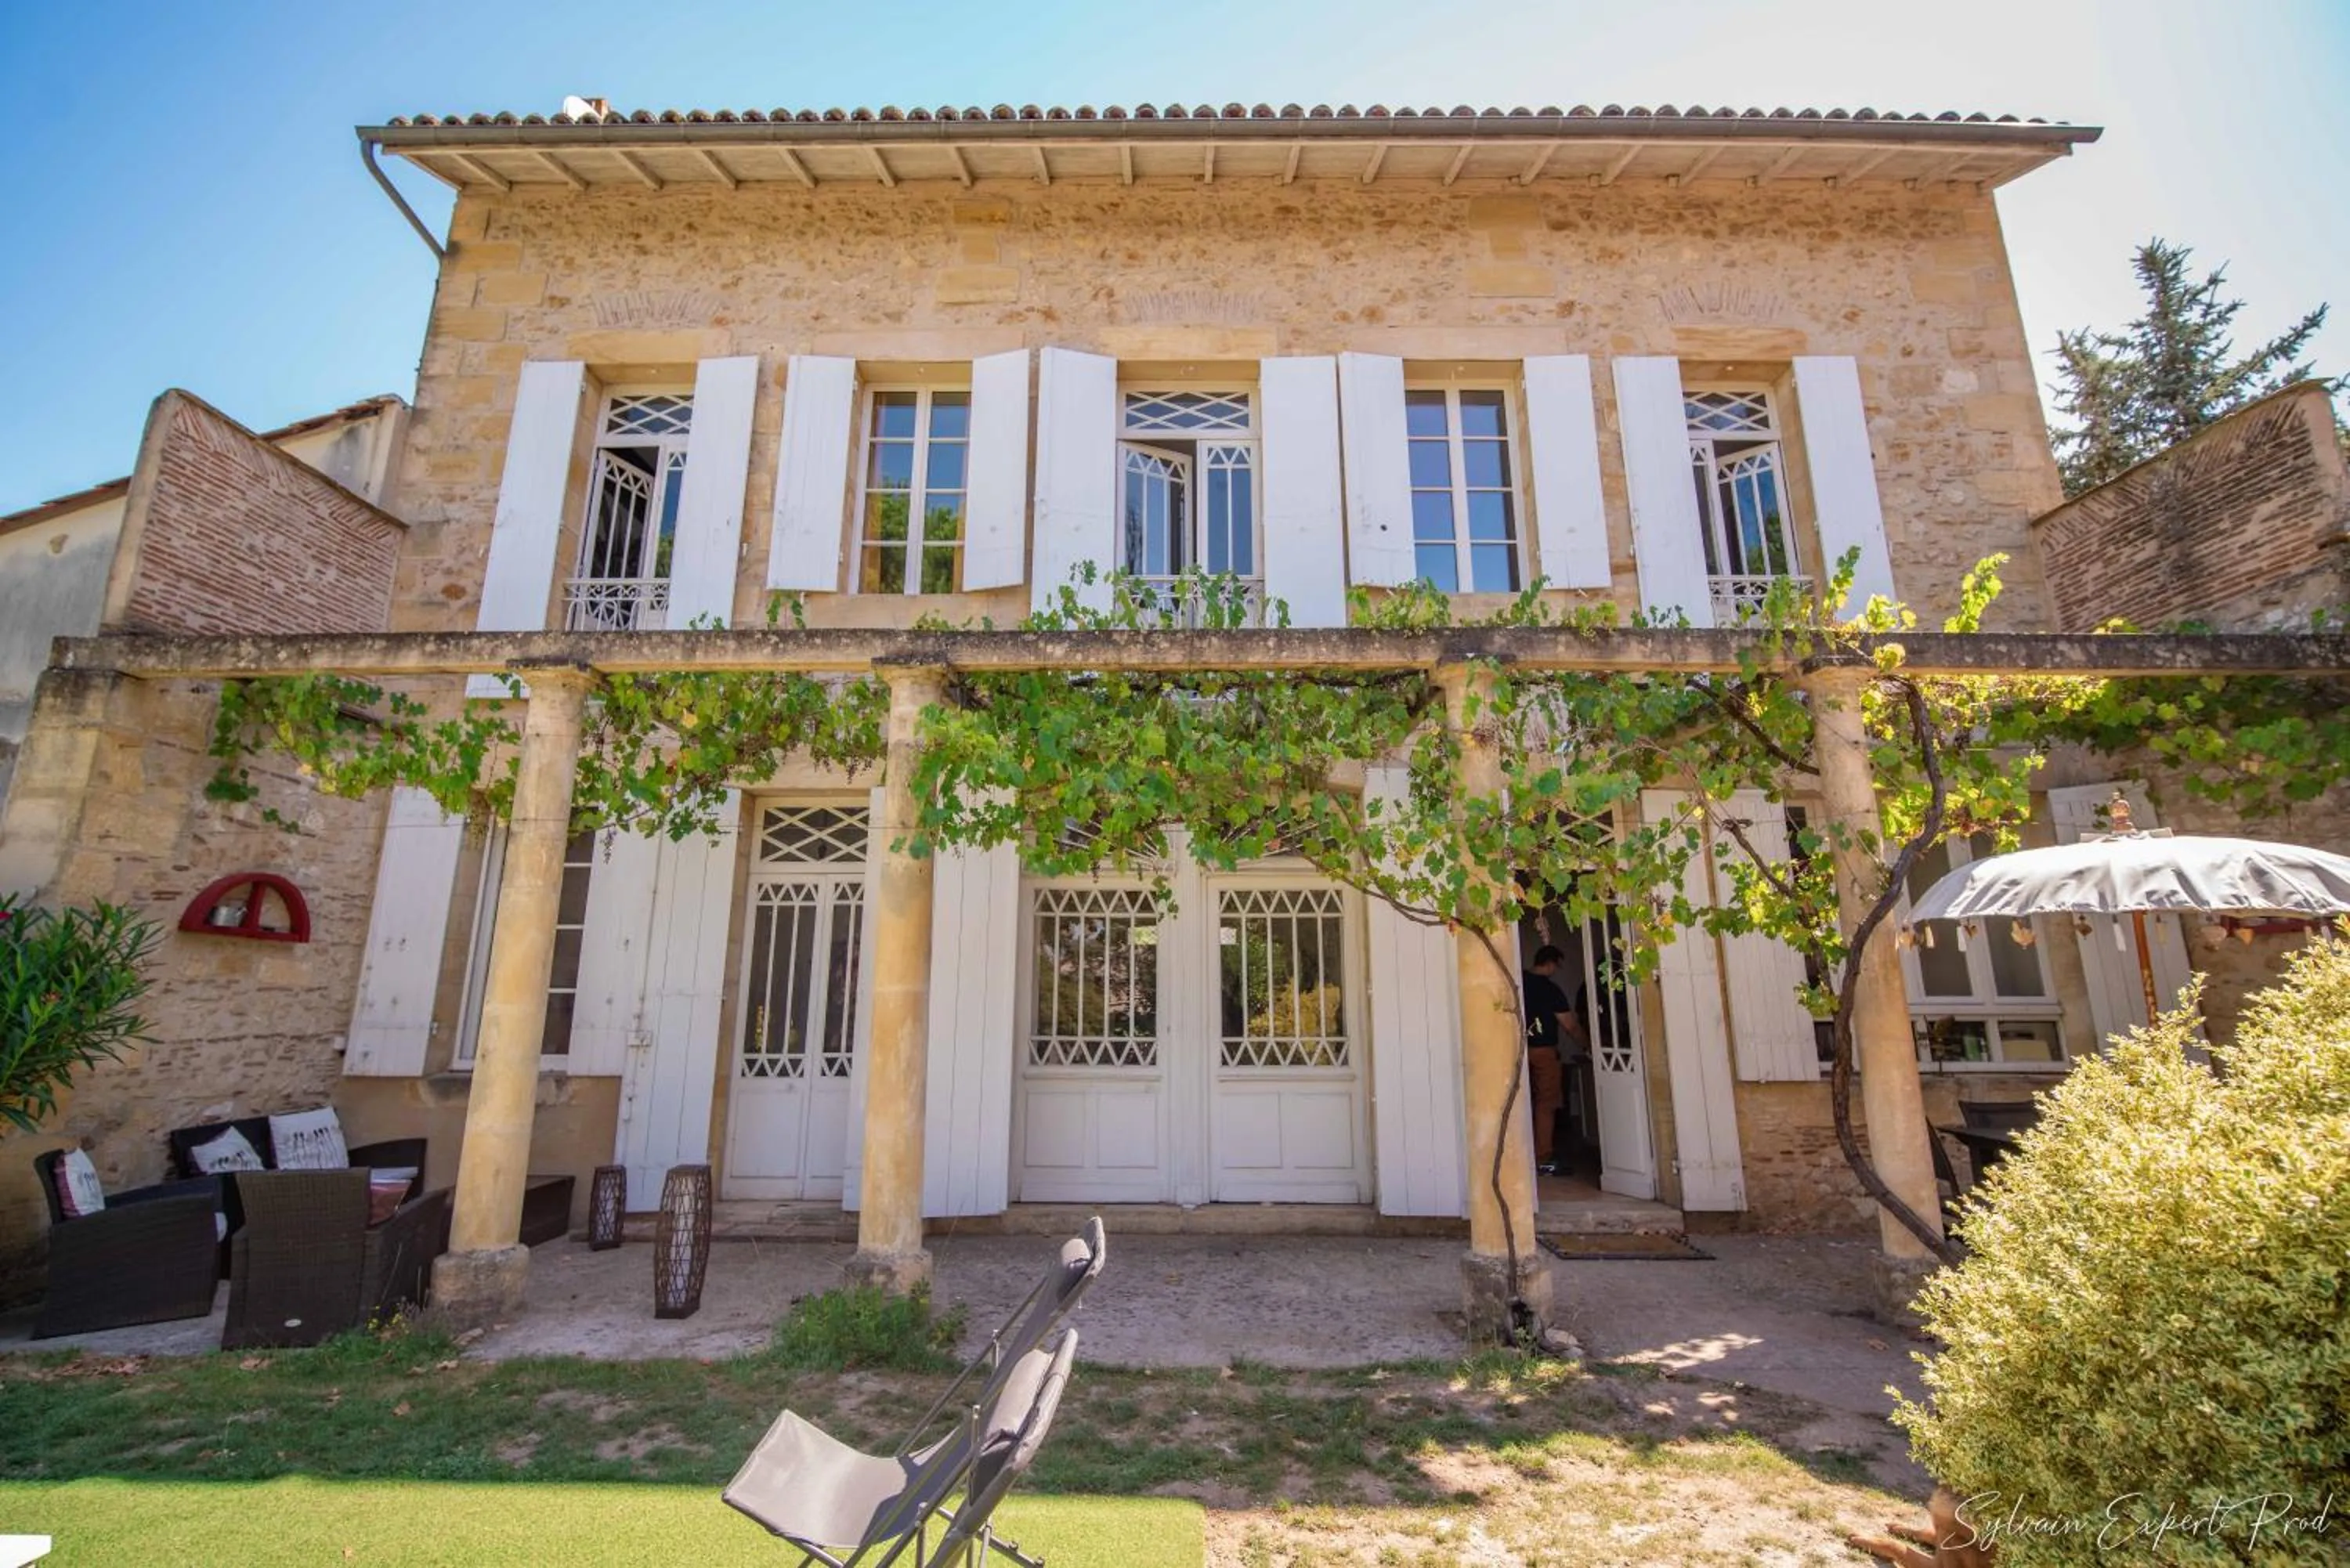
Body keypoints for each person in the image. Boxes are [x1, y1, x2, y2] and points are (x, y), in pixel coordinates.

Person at [1522, 945, 1582, 1175]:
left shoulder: (1519, 980)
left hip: (1518, 1051)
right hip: (1544, 1052)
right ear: (1550, 964)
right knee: (1546, 1104)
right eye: (1557, 965)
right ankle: (1542, 1158)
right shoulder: (1551, 990)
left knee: (1518, 1103)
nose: (1556, 970)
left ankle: (1519, 1156)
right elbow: (1569, 1026)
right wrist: (1588, 1046)